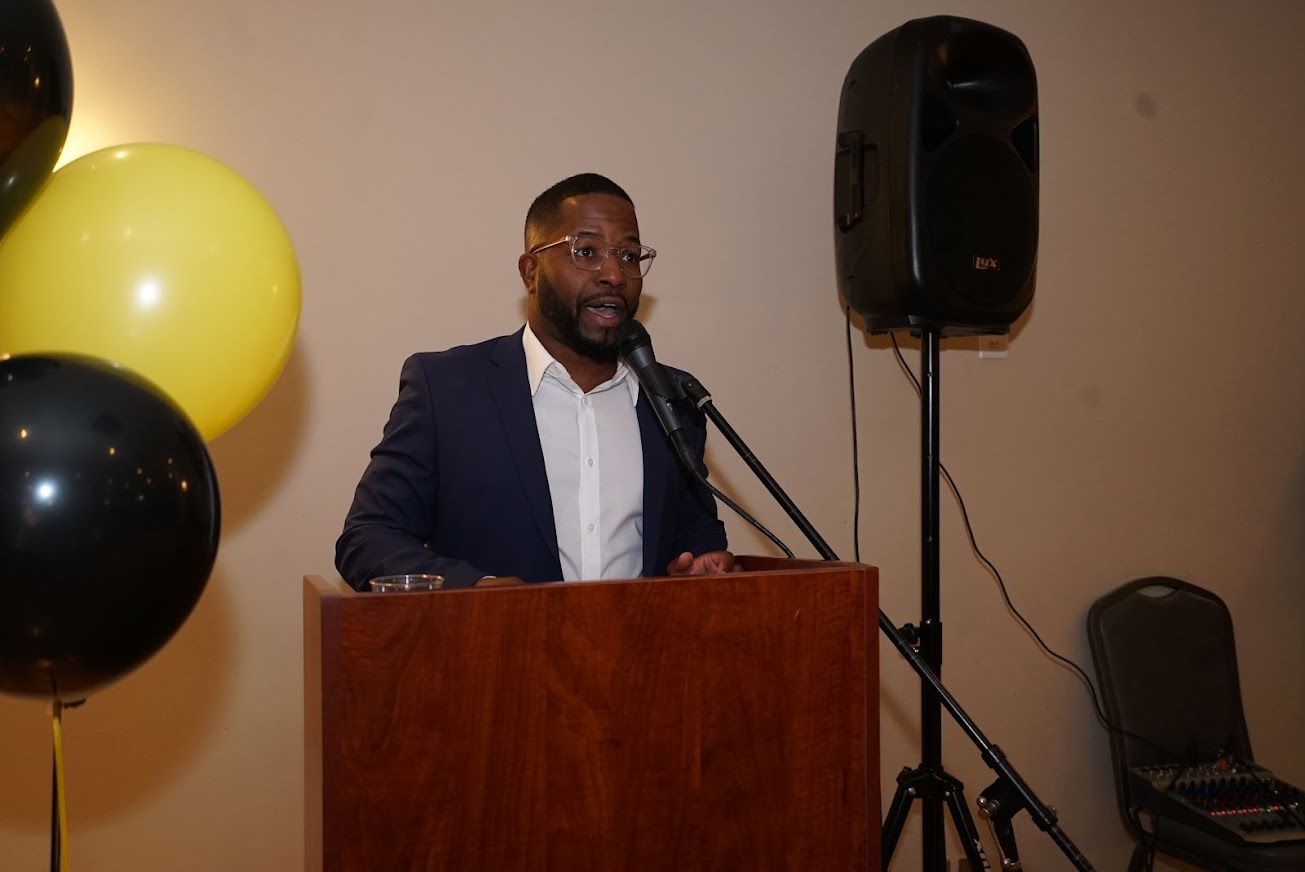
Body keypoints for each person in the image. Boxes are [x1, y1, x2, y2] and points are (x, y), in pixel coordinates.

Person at [335, 173, 735, 590]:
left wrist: (703, 560)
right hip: (493, 650)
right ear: (531, 272)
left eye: (630, 256)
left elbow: (695, 531)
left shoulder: (673, 399)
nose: (615, 274)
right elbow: (368, 537)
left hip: (640, 653)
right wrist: (477, 590)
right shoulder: (447, 389)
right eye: (586, 251)